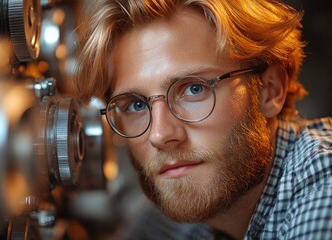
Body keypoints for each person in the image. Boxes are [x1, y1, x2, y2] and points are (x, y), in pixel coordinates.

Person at [74, 0, 332, 239]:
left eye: (193, 89)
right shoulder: (186, 195)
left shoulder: (323, 192)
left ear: (270, 90)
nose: (160, 135)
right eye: (136, 105)